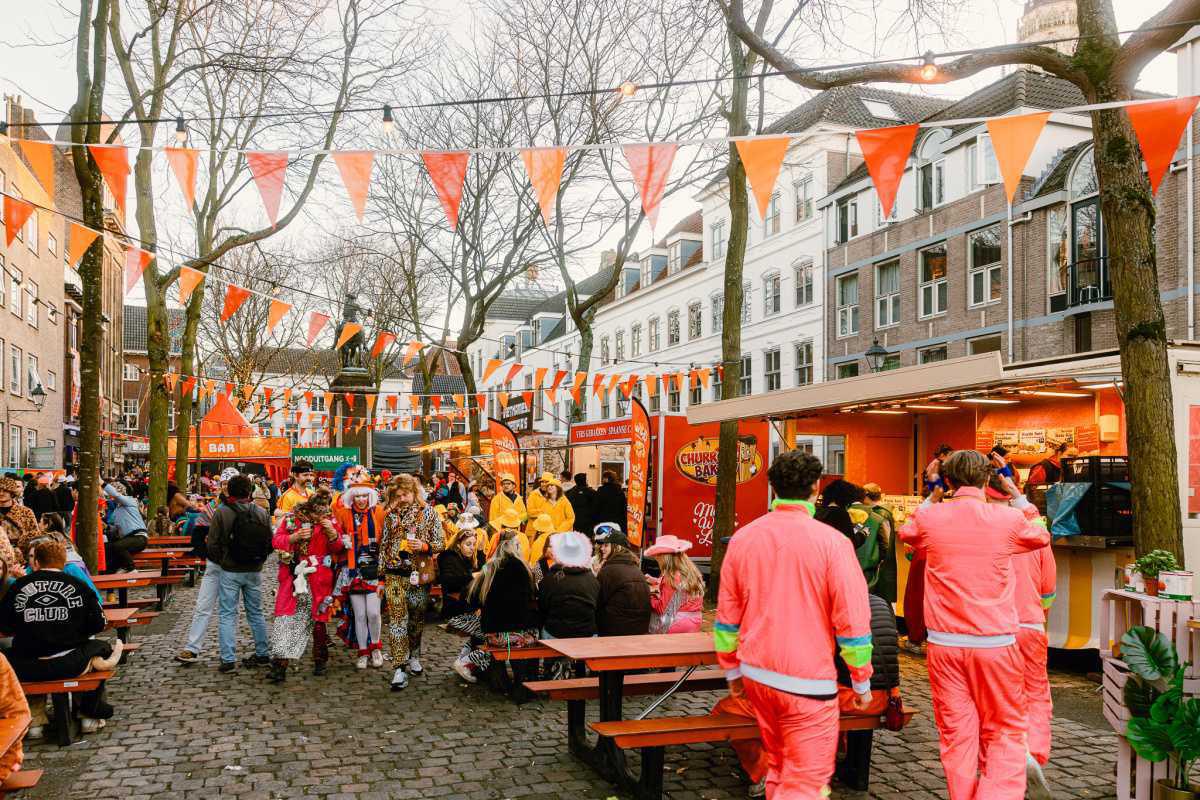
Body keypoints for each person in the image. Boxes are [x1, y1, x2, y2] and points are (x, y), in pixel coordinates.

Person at [715, 450, 874, 798]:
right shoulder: (834, 544)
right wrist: (861, 682)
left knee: (779, 767)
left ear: (773, 488)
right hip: (807, 682)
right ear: (816, 488)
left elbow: (726, 618)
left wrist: (733, 674)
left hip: (758, 675)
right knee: (805, 781)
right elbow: (853, 622)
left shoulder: (743, 539)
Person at [899, 450, 1051, 799]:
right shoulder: (1006, 521)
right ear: (986, 479)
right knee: (1006, 730)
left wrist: (931, 496)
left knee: (956, 733)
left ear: (948, 481)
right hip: (995, 644)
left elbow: (908, 531)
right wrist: (1016, 494)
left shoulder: (932, 518)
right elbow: (1040, 535)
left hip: (945, 644)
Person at [0, 538, 119, 736]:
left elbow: (4, 625)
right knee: (100, 647)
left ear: (36, 562)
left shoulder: (18, 587)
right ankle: (89, 714)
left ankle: (34, 721)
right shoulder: (79, 586)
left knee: (9, 652)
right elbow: (99, 623)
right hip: (69, 663)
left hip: (27, 666)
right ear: (63, 562)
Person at [986, 475, 1056, 797]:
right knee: (1037, 693)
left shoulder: (982, 531)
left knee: (1000, 697)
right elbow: (1048, 587)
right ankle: (1035, 753)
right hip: (1030, 624)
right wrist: (1041, 616)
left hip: (995, 630)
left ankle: (1006, 758)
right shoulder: (1034, 532)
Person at [269, 492, 345, 682]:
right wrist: (293, 537)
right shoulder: (292, 519)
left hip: (318, 578)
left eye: (325, 511)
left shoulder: (330, 521)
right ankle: (280, 665)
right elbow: (276, 541)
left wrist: (333, 534)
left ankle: (320, 659)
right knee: (285, 618)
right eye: (318, 512)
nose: (322, 515)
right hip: (293, 576)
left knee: (318, 619)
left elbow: (338, 548)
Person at [204, 474, 274, 674]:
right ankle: (262, 653)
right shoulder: (261, 513)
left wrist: (223, 560)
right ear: (250, 491)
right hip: (254, 570)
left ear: (229, 491)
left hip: (230, 570)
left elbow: (213, 544)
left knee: (227, 614)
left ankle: (228, 659)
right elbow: (270, 542)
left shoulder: (222, 512)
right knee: (257, 613)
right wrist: (259, 560)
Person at [455, 531, 540, 689]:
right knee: (533, 631)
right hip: (519, 634)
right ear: (515, 547)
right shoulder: (525, 569)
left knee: (493, 635)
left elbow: (470, 598)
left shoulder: (489, 569)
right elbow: (533, 598)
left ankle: (498, 682)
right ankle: (524, 681)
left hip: (494, 634)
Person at [380, 474, 442, 690]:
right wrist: (380, 576)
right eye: (398, 495)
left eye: (405, 494)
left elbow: (440, 542)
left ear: (414, 493)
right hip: (394, 573)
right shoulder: (390, 516)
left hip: (418, 575)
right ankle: (399, 667)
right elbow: (384, 544)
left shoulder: (429, 513)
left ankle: (414, 654)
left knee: (415, 618)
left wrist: (424, 547)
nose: (402, 499)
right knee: (397, 620)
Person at [332, 480, 386, 670]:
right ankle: (363, 651)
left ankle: (376, 647)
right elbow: (335, 541)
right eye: (357, 496)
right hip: (353, 571)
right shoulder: (343, 514)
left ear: (370, 496)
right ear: (352, 497)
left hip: (374, 569)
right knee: (360, 615)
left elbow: (386, 540)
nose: (361, 499)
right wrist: (342, 541)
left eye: (364, 495)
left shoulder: (378, 512)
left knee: (373, 613)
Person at [594, 527, 651, 636]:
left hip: (615, 634)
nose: (602, 548)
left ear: (617, 548)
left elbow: (596, 603)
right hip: (639, 632)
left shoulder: (608, 571)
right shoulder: (637, 570)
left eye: (606, 545)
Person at [645, 535, 704, 634]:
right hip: (695, 622)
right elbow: (678, 590)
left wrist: (648, 597)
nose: (656, 559)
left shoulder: (671, 576)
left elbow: (661, 608)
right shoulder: (690, 571)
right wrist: (655, 580)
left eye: (657, 556)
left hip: (677, 624)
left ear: (664, 558)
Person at [859, 483, 898, 605]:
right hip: (885, 563)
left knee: (880, 600)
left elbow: (883, 543)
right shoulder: (885, 512)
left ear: (866, 496)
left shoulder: (879, 514)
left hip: (880, 565)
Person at [438, 519, 484, 619]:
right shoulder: (447, 557)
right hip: (455, 606)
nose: (472, 548)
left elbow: (481, 570)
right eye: (468, 544)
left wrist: (480, 552)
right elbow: (449, 581)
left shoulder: (469, 557)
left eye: (474, 544)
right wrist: (471, 576)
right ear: (458, 545)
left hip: (468, 601)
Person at [102, 481, 148, 572]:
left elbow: (116, 495)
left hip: (139, 537)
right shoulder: (116, 511)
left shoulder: (130, 501)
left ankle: (131, 568)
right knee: (107, 550)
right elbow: (115, 529)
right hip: (127, 539)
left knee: (117, 546)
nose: (111, 498)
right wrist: (106, 527)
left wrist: (103, 483)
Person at [0, 478, 39, 559]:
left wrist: (21, 547)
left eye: (5, 490)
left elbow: (35, 535)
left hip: (20, 558)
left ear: (12, 493)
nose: (1, 493)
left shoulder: (25, 512)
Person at [488, 476, 527, 543]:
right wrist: (498, 534)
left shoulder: (519, 499)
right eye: (504, 484)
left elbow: (524, 515)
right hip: (502, 535)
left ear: (513, 485)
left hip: (516, 533)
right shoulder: (496, 499)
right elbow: (493, 519)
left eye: (508, 483)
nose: (505, 486)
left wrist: (519, 522)